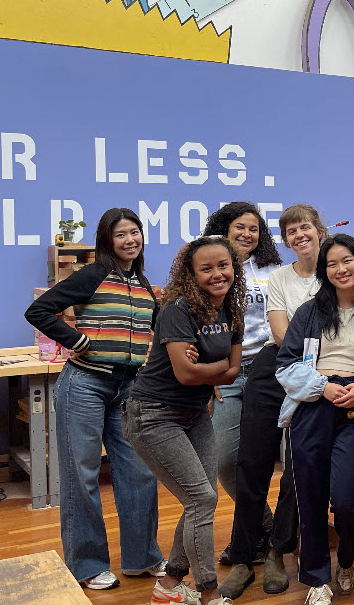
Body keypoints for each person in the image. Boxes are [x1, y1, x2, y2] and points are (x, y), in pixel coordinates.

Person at [24, 208, 164, 591]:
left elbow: (155, 328)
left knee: (138, 472)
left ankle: (143, 557)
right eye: (121, 235)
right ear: (107, 240)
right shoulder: (92, 274)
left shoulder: (143, 283)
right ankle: (86, 565)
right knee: (81, 476)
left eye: (135, 232)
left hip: (129, 388)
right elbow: (38, 311)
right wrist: (77, 340)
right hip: (85, 383)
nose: (130, 240)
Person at [276, 234, 354, 605]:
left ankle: (347, 554)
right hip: (312, 404)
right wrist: (322, 386)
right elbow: (285, 365)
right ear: (324, 271)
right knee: (310, 494)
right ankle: (316, 578)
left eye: (346, 261)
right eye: (331, 264)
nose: (340, 269)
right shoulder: (309, 312)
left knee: (345, 497)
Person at [123, 236, 245, 605]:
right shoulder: (178, 310)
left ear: (234, 267)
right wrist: (217, 369)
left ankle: (170, 585)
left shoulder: (232, 311)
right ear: (192, 274)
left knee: (201, 501)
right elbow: (186, 375)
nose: (217, 274)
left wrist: (209, 368)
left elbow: (233, 371)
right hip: (153, 415)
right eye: (205, 268)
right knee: (202, 499)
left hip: (195, 414)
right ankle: (209, 593)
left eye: (223, 265)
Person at [221, 203, 325, 598]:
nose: (299, 235)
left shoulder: (336, 272)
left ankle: (280, 552)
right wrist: (319, 345)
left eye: (305, 228)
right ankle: (245, 558)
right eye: (291, 231)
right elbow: (281, 332)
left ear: (320, 230)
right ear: (285, 240)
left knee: (297, 468)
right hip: (274, 366)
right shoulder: (278, 276)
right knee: (252, 461)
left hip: (316, 374)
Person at [202, 202, 281, 566]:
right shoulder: (208, 265)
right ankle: (266, 525)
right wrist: (206, 372)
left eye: (254, 228)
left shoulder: (272, 268)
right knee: (224, 458)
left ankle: (269, 536)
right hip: (226, 372)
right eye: (240, 226)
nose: (247, 234)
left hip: (270, 368)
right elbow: (194, 319)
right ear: (223, 228)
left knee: (272, 457)